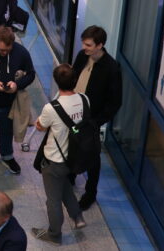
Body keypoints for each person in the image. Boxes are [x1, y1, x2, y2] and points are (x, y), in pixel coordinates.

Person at [30, 63, 88, 244]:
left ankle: (54, 235)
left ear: (56, 82)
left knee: (53, 200)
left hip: (54, 160)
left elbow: (40, 127)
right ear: (75, 80)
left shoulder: (51, 108)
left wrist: (37, 121)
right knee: (64, 188)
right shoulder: (85, 99)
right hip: (74, 158)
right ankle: (77, 217)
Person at [71, 25, 122, 210]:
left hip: (90, 121)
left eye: (88, 45)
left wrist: (96, 122)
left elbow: (115, 102)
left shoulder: (111, 68)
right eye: (84, 44)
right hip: (74, 114)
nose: (84, 48)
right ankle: (71, 175)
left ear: (100, 45)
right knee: (71, 144)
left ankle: (90, 193)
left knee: (92, 156)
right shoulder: (82, 56)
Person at [0, 26, 35, 176]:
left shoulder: (21, 53)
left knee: (6, 131)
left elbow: (31, 74)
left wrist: (17, 85)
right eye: (0, 50)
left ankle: (7, 156)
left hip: (7, 103)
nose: (3, 53)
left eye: (6, 50)